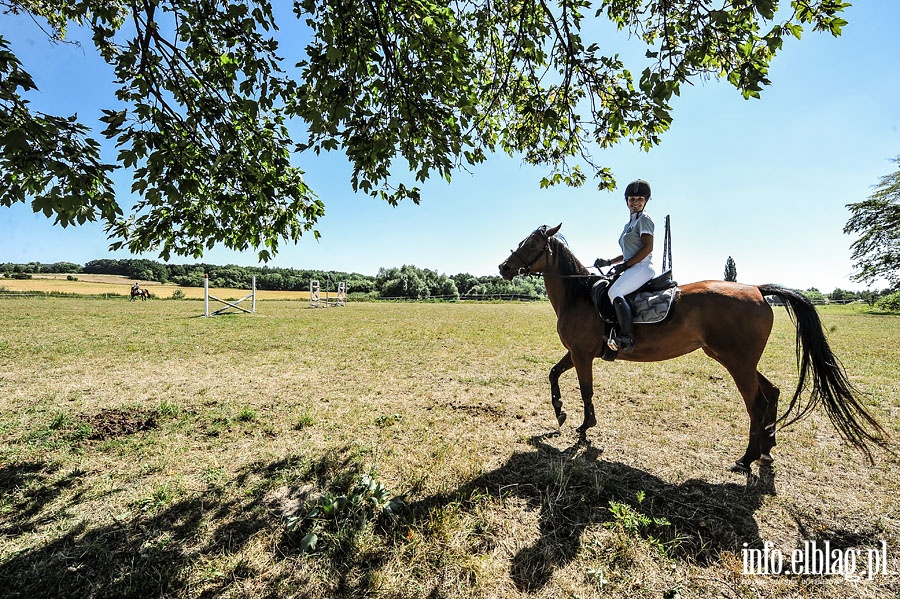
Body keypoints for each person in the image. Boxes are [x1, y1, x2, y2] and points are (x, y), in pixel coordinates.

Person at [594, 179, 656, 352]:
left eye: (639, 199)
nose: (635, 203)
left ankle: (626, 337)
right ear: (627, 201)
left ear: (646, 201)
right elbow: (627, 252)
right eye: (632, 199)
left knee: (614, 291)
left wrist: (627, 264)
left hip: (642, 267)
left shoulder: (644, 219)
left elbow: (647, 247)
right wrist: (609, 262)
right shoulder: (628, 225)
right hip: (632, 266)